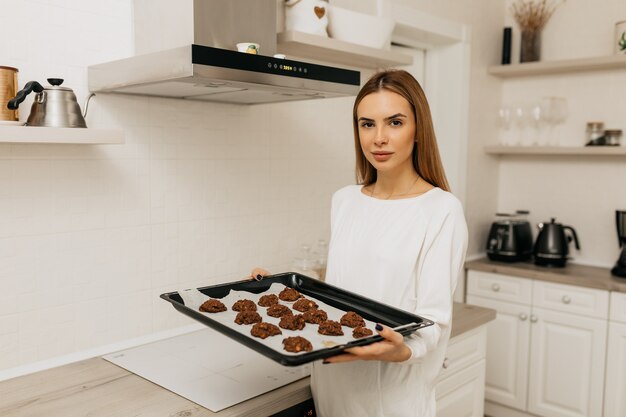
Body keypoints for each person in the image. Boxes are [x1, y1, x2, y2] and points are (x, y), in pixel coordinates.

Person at [250, 69, 468, 417]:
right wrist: (278, 293)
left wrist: (395, 350)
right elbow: (342, 294)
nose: (378, 138)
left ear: (418, 130)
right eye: (367, 124)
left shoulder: (441, 210)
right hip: (331, 383)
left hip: (390, 398)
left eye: (394, 123)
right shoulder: (345, 200)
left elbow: (433, 324)